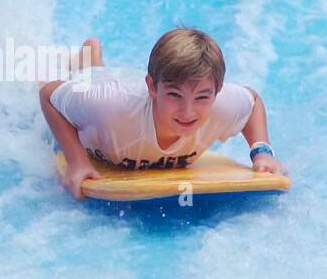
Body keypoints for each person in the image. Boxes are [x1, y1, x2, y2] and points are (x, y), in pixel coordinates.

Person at [39, 28, 287, 199]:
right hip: (107, 90)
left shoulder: (223, 104)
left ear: (217, 91)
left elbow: (252, 102)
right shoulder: (109, 107)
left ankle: (93, 58)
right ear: (153, 87)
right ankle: (90, 58)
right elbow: (49, 94)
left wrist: (261, 152)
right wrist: (77, 160)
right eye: (174, 95)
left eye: (202, 97)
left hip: (124, 89)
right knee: (83, 76)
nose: (188, 112)